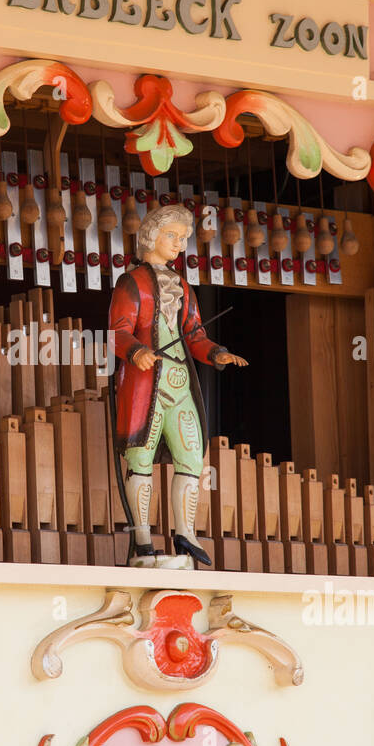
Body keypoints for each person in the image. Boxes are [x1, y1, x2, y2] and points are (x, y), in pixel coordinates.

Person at [108, 204, 248, 567]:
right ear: (152, 236)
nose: (179, 244)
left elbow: (194, 335)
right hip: (145, 384)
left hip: (180, 382)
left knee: (190, 457)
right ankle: (142, 538)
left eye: (183, 239)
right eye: (173, 236)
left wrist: (217, 353)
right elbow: (117, 333)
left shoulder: (183, 286)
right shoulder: (131, 282)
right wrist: (136, 350)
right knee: (140, 457)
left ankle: (185, 533)